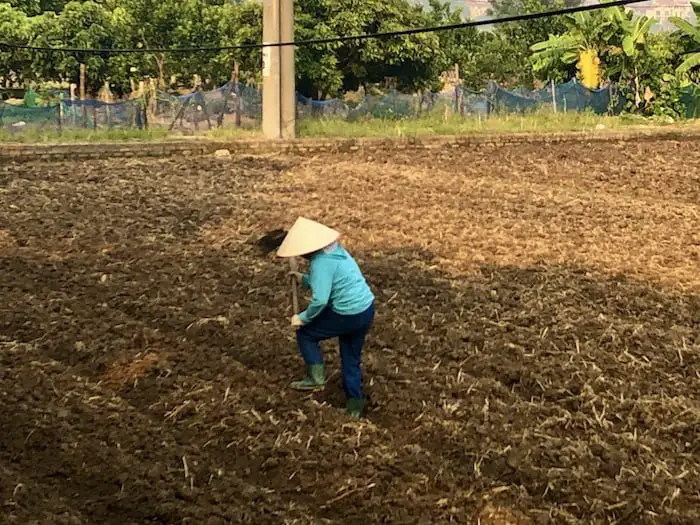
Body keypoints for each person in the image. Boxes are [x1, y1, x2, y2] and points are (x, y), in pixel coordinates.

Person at [277, 217, 375, 418]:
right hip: (365, 309)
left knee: (306, 335)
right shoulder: (336, 251)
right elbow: (333, 280)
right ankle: (355, 404)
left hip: (347, 313)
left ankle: (315, 379)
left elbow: (321, 300)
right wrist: (303, 278)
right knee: (350, 357)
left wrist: (303, 318)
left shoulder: (320, 263)